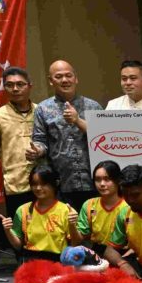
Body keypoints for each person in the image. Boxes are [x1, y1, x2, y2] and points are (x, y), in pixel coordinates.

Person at [29, 60, 102, 205]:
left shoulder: (93, 106)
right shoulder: (42, 109)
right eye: (58, 76)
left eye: (68, 75)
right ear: (51, 81)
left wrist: (78, 120)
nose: (64, 80)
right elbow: (40, 140)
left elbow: (105, 139)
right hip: (61, 182)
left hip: (93, 180)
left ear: (76, 78)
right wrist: (38, 150)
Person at [0, 66, 38, 217]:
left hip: (45, 183)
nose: (15, 89)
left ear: (29, 86)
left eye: (20, 84)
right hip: (16, 184)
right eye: (9, 85)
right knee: (22, 227)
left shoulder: (41, 111)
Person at [0, 167, 80, 261]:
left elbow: (75, 244)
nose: (38, 188)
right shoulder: (23, 210)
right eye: (34, 184)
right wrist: (7, 230)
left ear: (55, 184)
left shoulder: (66, 210)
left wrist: (72, 224)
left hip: (57, 262)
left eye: (43, 184)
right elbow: (18, 246)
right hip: (31, 262)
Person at [76, 160, 126, 253]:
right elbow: (80, 237)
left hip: (122, 254)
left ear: (118, 180)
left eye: (107, 179)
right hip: (96, 253)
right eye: (98, 179)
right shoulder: (89, 205)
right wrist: (71, 224)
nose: (102, 184)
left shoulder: (130, 207)